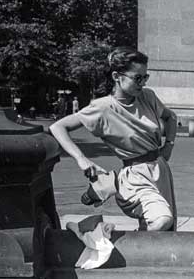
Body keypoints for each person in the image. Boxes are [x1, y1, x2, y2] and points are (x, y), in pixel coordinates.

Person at [49, 46, 177, 231]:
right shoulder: (102, 108)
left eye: (145, 77)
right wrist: (81, 159)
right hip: (135, 176)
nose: (142, 83)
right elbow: (57, 127)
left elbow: (170, 117)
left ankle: (106, 185)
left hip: (160, 169)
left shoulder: (147, 96)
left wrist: (169, 145)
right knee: (162, 220)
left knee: (162, 228)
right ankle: (120, 244)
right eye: (137, 78)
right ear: (117, 76)